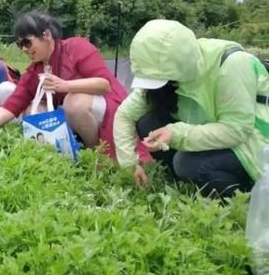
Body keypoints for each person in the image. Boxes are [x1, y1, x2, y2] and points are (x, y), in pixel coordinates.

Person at [114, 19, 269, 198]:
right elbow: (125, 115)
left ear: (181, 66)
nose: (158, 85)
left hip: (253, 141)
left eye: (163, 79)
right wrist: (130, 164)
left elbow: (237, 129)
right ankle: (184, 184)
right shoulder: (162, 69)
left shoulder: (232, 63)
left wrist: (176, 134)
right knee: (149, 123)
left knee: (186, 163)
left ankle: (244, 197)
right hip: (209, 133)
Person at [0, 11, 146, 160]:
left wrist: (65, 85)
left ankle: (96, 153)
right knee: (32, 109)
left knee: (74, 102)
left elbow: (104, 85)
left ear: (47, 35)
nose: (24, 50)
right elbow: (11, 107)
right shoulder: (34, 71)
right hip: (77, 118)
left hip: (107, 108)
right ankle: (63, 152)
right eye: (20, 45)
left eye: (27, 43)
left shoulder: (76, 47)